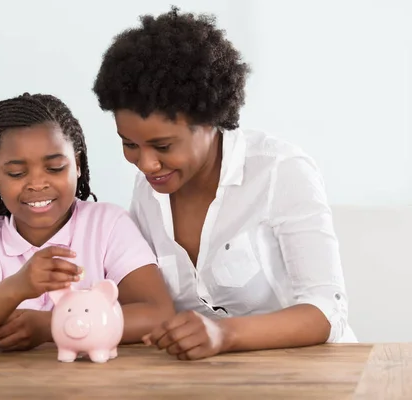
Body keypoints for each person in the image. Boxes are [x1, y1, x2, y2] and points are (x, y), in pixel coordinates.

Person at [92, 6, 357, 360]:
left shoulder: (280, 170)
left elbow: (328, 311)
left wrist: (223, 334)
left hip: (313, 374)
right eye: (129, 144)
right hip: (211, 380)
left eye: (163, 146)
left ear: (211, 119)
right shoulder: (148, 192)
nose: (145, 163)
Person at [0, 92, 175, 349]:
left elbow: (157, 314)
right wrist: (19, 286)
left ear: (77, 165)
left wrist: (50, 325)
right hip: (3, 387)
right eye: (16, 173)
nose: (38, 184)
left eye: (55, 168)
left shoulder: (108, 225)